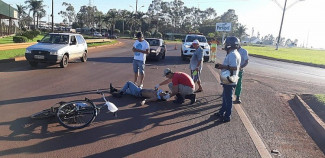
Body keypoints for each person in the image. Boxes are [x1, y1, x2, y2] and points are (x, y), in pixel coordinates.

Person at [214, 36, 241, 122]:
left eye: (226, 44)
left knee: (228, 99)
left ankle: (227, 116)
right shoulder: (234, 53)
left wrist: (222, 66)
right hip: (228, 79)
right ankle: (221, 112)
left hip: (230, 80)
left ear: (230, 45)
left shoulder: (232, 54)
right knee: (225, 98)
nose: (225, 45)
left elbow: (234, 67)